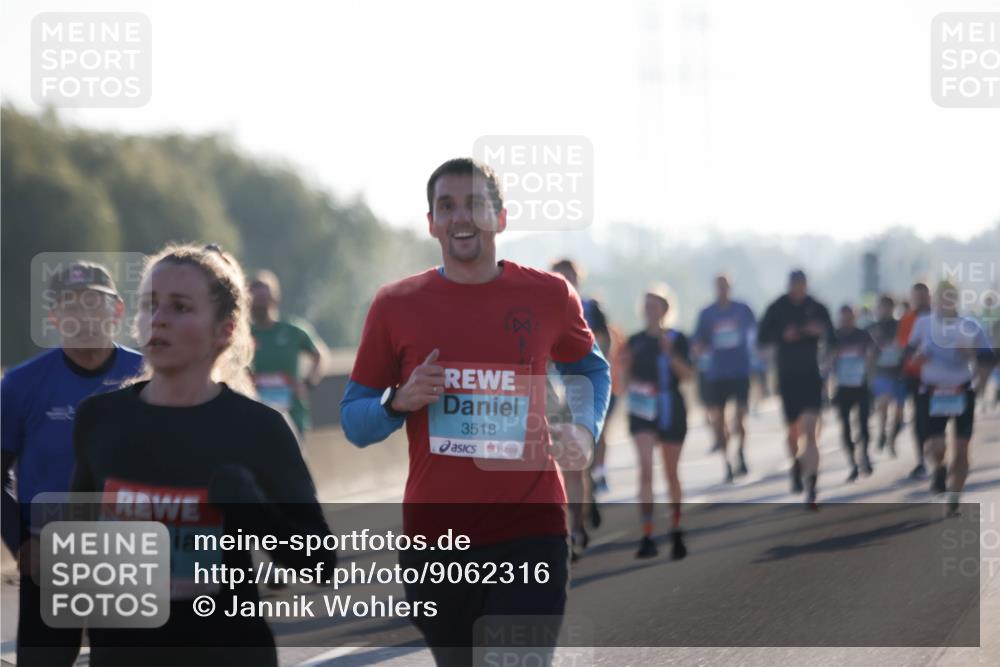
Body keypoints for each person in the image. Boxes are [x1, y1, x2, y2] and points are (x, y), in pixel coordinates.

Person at [339, 158, 611, 666]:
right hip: (436, 544)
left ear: (501, 217)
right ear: (431, 223)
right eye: (447, 206)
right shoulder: (395, 304)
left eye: (475, 204)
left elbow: (592, 371)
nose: (461, 217)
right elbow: (354, 420)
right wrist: (398, 401)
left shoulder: (548, 295)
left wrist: (584, 426)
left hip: (531, 534)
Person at [70, 244, 333, 666]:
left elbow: (318, 561)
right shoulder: (99, 419)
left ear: (224, 330)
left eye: (180, 307)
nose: (159, 319)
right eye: (149, 305)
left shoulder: (259, 429)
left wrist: (252, 510)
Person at [1, 261, 144, 666]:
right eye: (71, 305)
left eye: (94, 304)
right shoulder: (21, 385)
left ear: (116, 311)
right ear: (54, 317)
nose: (83, 315)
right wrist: (21, 544)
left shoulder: (147, 374)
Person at [904, 281, 997, 513]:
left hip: (961, 389)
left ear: (956, 300)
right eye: (941, 297)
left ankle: (954, 495)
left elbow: (987, 358)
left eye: (950, 297)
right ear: (936, 299)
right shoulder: (923, 324)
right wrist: (916, 359)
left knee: (962, 447)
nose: (946, 302)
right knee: (936, 446)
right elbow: (907, 352)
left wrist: (980, 384)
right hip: (932, 389)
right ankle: (939, 469)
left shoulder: (970, 325)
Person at [621, 284, 693, 559]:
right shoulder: (635, 340)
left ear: (666, 309)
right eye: (647, 306)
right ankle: (647, 534)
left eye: (656, 306)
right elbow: (624, 384)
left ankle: (676, 528)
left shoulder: (677, 338)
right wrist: (625, 367)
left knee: (671, 472)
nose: (651, 311)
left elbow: (687, 376)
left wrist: (669, 353)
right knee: (646, 470)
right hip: (642, 410)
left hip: (671, 406)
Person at [758, 270, 834, 509]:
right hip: (787, 376)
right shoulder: (778, 307)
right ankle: (795, 463)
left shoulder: (817, 307)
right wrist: (783, 335)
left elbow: (833, 339)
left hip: (811, 375)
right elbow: (762, 338)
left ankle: (811, 485)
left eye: (802, 284)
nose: (799, 288)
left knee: (811, 431)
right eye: (795, 284)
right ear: (789, 285)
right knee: (793, 432)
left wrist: (818, 332)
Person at [550, 259, 615, 500]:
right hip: (558, 385)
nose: (566, 280)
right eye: (560, 275)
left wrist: (596, 365)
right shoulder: (546, 307)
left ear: (579, 278)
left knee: (596, 429)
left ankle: (599, 471)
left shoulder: (591, 306)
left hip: (587, 379)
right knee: (566, 448)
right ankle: (578, 503)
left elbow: (606, 341)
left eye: (570, 276)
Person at [692, 274, 757, 482]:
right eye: (719, 286)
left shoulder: (743, 309)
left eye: (725, 285)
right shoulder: (707, 313)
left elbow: (755, 333)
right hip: (716, 374)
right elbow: (697, 340)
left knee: (740, 417)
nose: (722, 289)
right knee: (718, 421)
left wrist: (756, 355)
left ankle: (741, 452)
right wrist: (698, 348)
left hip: (739, 371)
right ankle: (727, 461)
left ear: (731, 287)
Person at [249, 270, 324, 437]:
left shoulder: (292, 331)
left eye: (265, 299)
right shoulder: (243, 335)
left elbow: (319, 355)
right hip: (255, 419)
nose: (261, 306)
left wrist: (308, 383)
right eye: (257, 301)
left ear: (275, 299)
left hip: (292, 417)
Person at [827, 305, 878, 482]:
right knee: (846, 427)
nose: (846, 321)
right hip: (842, 388)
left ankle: (865, 455)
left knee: (863, 423)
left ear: (854, 317)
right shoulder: (834, 336)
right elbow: (825, 359)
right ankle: (852, 463)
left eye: (849, 317)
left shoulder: (863, 335)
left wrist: (869, 364)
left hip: (861, 386)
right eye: (843, 318)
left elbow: (874, 354)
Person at [897, 283, 932, 478]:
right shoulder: (907, 319)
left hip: (937, 376)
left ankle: (937, 453)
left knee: (934, 416)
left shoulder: (939, 316)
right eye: (916, 296)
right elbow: (904, 345)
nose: (920, 300)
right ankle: (921, 459)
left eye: (923, 296)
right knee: (919, 417)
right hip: (914, 375)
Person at [868, 294, 906, 456]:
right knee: (882, 404)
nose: (883, 310)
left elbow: (907, 345)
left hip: (899, 373)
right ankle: (882, 433)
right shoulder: (873, 328)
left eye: (886, 307)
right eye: (880, 306)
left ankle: (892, 437)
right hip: (881, 372)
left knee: (899, 411)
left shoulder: (900, 326)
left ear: (892, 308)